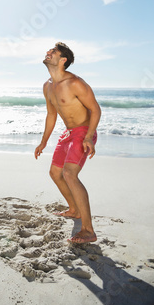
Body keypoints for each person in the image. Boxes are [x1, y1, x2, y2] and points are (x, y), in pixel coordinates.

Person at [35, 42, 101, 244]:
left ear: (63, 60)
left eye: (53, 52)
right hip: (68, 133)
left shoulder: (75, 83)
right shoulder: (47, 86)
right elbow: (51, 115)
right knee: (55, 173)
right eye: (48, 50)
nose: (48, 52)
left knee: (69, 174)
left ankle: (88, 230)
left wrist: (89, 136)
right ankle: (74, 210)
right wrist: (43, 142)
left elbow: (96, 110)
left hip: (83, 132)